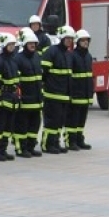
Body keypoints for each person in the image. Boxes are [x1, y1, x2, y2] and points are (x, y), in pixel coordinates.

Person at [40, 25, 75, 154]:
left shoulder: (68, 54)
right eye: (67, 38)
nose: (69, 41)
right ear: (61, 38)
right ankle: (47, 144)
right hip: (52, 94)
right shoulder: (51, 52)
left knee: (60, 121)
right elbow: (44, 73)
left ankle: (55, 142)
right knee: (51, 121)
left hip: (64, 95)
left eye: (71, 39)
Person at [0, 33, 21, 161]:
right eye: (10, 45)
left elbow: (16, 79)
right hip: (1, 99)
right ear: (3, 45)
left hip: (11, 98)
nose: (12, 47)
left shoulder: (13, 60)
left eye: (13, 45)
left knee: (7, 128)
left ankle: (2, 150)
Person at [13, 28, 44, 158]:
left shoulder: (37, 57)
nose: (32, 45)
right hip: (25, 100)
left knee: (34, 125)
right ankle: (21, 148)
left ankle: (30, 147)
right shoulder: (18, 58)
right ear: (24, 44)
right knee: (22, 126)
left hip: (36, 100)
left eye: (34, 43)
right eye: (30, 43)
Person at [66, 28, 94, 151]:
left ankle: (79, 139)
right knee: (73, 119)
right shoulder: (72, 56)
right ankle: (70, 141)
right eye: (83, 41)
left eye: (87, 40)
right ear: (77, 42)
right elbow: (70, 77)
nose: (85, 43)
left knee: (82, 120)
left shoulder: (88, 56)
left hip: (86, 95)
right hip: (76, 94)